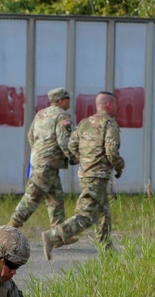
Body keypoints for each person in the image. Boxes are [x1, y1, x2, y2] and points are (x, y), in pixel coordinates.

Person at [42, 90, 124, 259]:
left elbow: (72, 145)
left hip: (86, 174)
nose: (117, 108)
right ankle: (53, 236)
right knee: (87, 215)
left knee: (103, 211)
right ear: (109, 105)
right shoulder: (109, 124)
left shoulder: (85, 123)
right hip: (98, 176)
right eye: (116, 104)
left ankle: (106, 247)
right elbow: (112, 152)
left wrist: (84, 161)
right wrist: (119, 166)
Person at [9, 87, 75, 229]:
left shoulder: (40, 114)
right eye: (68, 99)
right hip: (48, 164)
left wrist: (38, 153)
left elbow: (30, 135)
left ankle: (58, 233)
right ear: (61, 101)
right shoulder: (62, 116)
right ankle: (11, 226)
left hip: (40, 161)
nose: (70, 102)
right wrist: (74, 157)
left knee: (55, 198)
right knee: (33, 195)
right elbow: (64, 141)